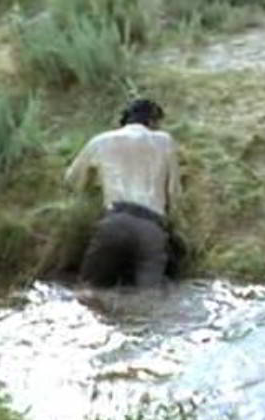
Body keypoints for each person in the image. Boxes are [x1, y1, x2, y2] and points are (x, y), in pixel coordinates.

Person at [64, 98, 183, 288]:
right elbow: (174, 192)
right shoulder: (164, 141)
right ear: (153, 122)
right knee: (149, 297)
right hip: (151, 228)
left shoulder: (101, 141)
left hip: (114, 223)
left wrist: (92, 185)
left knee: (89, 291)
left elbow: (71, 179)